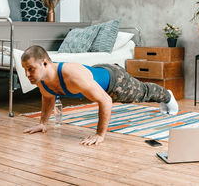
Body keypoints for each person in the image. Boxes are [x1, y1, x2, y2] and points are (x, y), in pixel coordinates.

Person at [22, 45, 179, 145]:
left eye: (30, 68)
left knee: (143, 93)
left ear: (44, 63)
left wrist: (99, 134)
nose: (27, 74)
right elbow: (48, 98)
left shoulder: (72, 75)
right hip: (98, 72)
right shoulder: (41, 80)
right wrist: (43, 123)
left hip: (115, 82)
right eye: (24, 69)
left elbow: (106, 100)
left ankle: (168, 96)